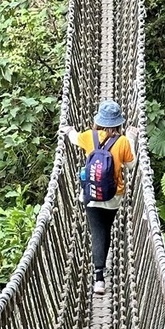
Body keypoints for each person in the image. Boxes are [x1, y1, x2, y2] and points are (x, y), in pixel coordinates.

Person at [60, 100, 138, 295]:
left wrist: (68, 129)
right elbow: (131, 165)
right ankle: (101, 271)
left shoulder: (89, 136)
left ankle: (99, 278)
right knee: (106, 229)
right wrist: (131, 138)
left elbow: (74, 138)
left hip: (91, 194)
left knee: (97, 231)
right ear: (118, 123)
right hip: (113, 196)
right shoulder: (122, 142)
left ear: (98, 121)